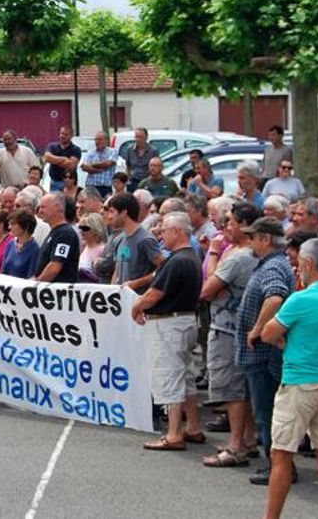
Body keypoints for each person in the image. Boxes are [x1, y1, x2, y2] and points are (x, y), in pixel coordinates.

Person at [260, 239, 318, 519]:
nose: (297, 268)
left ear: (308, 263)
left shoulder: (301, 298)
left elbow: (268, 333)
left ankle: (271, 517)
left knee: (282, 453)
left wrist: (283, 340)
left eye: (298, 263)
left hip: (301, 381)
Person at [131, 211, 204, 451]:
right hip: (184, 321)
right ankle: (193, 426)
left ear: (178, 231)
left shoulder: (178, 260)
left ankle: (173, 434)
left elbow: (155, 294)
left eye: (165, 230)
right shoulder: (190, 256)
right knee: (186, 375)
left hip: (169, 324)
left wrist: (137, 305)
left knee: (169, 376)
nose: (160, 234)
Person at [200, 202, 261, 467]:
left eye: (231, 222)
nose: (226, 227)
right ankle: (247, 441)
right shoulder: (245, 253)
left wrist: (214, 252)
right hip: (241, 327)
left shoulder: (238, 256)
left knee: (232, 390)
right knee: (243, 388)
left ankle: (236, 446)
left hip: (228, 329)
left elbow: (207, 289)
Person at [237, 216, 297, 485]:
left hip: (263, 354)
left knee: (266, 413)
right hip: (262, 353)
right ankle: (277, 465)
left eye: (253, 237)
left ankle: (278, 467)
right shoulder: (273, 264)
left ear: (266, 239)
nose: (249, 241)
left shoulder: (272, 267)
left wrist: (259, 328)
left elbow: (275, 296)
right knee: (268, 412)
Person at [108, 193, 163, 292]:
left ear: (124, 213)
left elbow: (164, 268)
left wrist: (137, 283)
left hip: (138, 300)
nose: (109, 216)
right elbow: (117, 270)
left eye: (112, 211)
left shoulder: (146, 240)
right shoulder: (119, 239)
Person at [34, 193, 80, 283]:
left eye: (43, 207)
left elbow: (55, 267)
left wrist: (36, 285)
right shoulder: (54, 232)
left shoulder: (65, 234)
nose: (39, 211)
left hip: (58, 293)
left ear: (57, 207)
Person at [2, 210, 40, 279]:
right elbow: (3, 271)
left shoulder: (35, 249)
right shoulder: (10, 244)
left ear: (26, 226)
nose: (9, 227)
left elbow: (31, 278)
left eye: (13, 224)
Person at [43, 126, 82, 192]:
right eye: (62, 133)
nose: (63, 136)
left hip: (69, 184)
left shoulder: (76, 149)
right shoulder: (52, 146)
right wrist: (64, 159)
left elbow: (71, 165)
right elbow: (46, 158)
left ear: (71, 136)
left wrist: (53, 160)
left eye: (66, 134)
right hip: (54, 182)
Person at [78, 131, 117, 197]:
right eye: (96, 139)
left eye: (100, 139)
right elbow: (84, 167)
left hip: (105, 187)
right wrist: (98, 169)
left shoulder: (112, 152)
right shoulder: (90, 153)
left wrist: (91, 165)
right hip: (91, 186)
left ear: (106, 140)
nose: (97, 142)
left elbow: (108, 163)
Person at [78, 213, 107, 280]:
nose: (81, 231)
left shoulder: (103, 249)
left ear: (95, 229)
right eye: (80, 228)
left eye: (84, 228)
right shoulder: (84, 247)